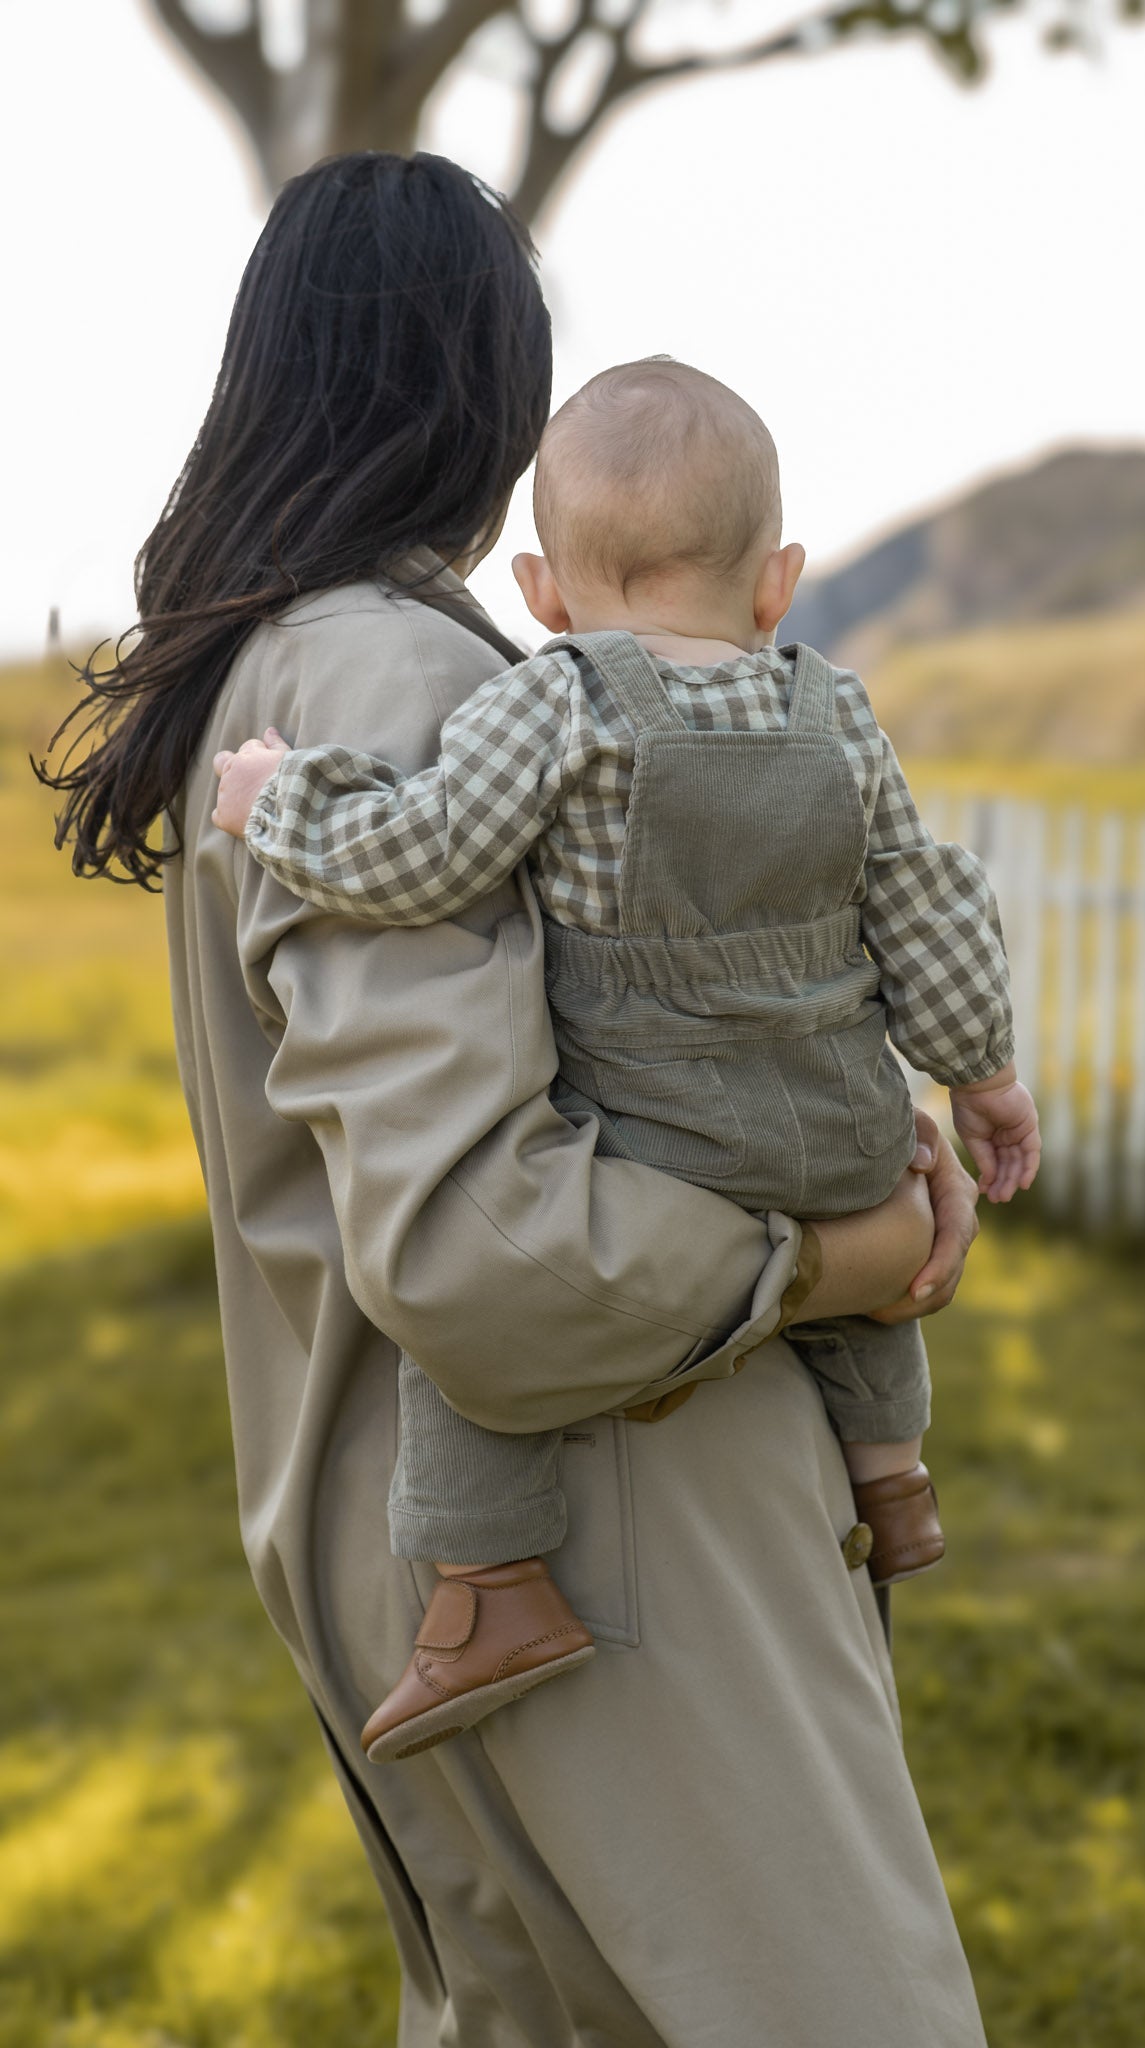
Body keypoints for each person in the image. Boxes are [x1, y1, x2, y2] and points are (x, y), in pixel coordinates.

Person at [41, 151, 989, 2046]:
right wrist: (844, 1246)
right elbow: (485, 1250)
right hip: (602, 1510)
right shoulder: (385, 674)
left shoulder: (285, 674)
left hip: (472, 1519)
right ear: (482, 391)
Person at [211, 356, 1041, 1764]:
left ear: (539, 594)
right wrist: (979, 1077)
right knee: (864, 1274)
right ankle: (892, 1480)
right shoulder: (833, 711)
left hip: (660, 1132)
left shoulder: (562, 698)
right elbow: (924, 897)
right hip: (840, 1120)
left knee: (462, 1317)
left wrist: (273, 800)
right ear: (776, 582)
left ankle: (487, 1588)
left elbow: (418, 859)